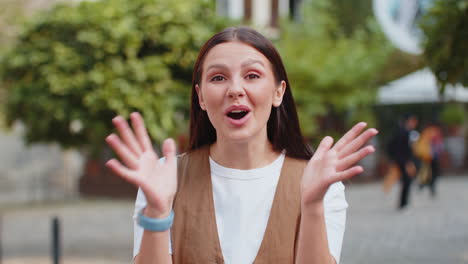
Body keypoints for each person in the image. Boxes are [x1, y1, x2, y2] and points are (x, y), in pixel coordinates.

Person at [105, 26, 377, 264]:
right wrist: (156, 211)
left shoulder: (318, 180)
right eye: (218, 78)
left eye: (252, 76)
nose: (235, 89)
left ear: (278, 92)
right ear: (200, 97)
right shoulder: (165, 178)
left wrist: (313, 204)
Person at [387, 114, 418, 210]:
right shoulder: (406, 132)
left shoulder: (402, 131)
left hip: (402, 160)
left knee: (406, 180)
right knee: (406, 180)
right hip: (404, 161)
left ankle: (403, 202)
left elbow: (390, 146)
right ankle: (403, 203)